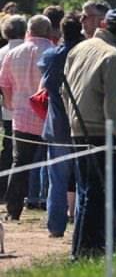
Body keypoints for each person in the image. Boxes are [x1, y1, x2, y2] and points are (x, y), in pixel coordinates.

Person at [64, 8, 116, 258]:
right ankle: (87, 250)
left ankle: (83, 248)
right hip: (100, 132)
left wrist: (73, 120)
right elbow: (115, 105)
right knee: (97, 194)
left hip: (77, 128)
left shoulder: (78, 48)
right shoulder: (114, 56)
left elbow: (65, 91)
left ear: (104, 24)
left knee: (86, 193)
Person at [0, 14, 53, 221]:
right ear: (48, 32)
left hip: (21, 114)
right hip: (48, 114)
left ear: (29, 31)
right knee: (54, 162)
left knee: (19, 162)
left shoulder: (14, 53)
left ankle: (13, 210)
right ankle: (54, 208)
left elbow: (4, 82)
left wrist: (11, 102)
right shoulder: (52, 52)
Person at [37, 12, 84, 237]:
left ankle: (55, 227)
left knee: (57, 180)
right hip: (83, 125)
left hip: (57, 126)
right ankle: (82, 225)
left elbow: (42, 71)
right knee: (84, 181)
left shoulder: (52, 56)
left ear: (61, 32)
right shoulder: (86, 55)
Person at [0, 15, 27, 199]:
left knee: (8, 148)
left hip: (7, 108)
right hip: (30, 111)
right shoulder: (28, 50)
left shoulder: (1, 52)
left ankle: (3, 188)